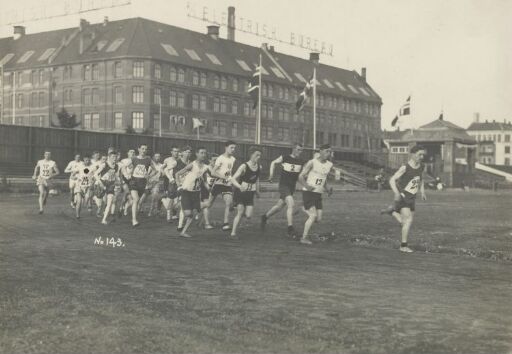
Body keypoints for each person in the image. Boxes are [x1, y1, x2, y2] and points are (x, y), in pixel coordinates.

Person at [383, 145, 427, 253]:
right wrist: (396, 192)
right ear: (412, 155)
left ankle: (392, 212)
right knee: (408, 220)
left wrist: (422, 191)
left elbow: (420, 179)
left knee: (405, 222)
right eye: (419, 154)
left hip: (412, 198)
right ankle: (403, 246)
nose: (421, 157)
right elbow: (392, 180)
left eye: (423, 155)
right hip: (402, 197)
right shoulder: (405, 168)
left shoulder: (422, 166)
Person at [261, 143, 304, 238]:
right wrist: (271, 175)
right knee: (291, 204)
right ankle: (290, 229)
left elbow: (301, 176)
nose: (299, 152)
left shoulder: (301, 162)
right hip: (283, 186)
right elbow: (273, 163)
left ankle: (265, 217)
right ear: (293, 149)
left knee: (279, 206)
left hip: (291, 187)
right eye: (298, 149)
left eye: (301, 150)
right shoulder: (285, 157)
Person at [298, 144, 334, 245]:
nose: (329, 153)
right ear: (320, 151)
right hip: (308, 192)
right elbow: (300, 177)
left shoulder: (329, 164)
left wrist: (327, 189)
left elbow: (324, 178)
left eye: (330, 152)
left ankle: (304, 208)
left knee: (318, 219)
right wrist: (307, 186)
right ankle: (303, 238)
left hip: (318, 193)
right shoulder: (312, 162)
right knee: (313, 215)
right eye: (327, 151)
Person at [121, 144, 160, 227]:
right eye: (142, 149)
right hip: (134, 181)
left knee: (137, 201)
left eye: (145, 149)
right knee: (136, 199)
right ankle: (134, 220)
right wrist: (126, 175)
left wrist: (149, 176)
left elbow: (155, 170)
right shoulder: (134, 158)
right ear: (139, 149)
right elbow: (123, 167)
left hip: (142, 182)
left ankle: (127, 206)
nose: (144, 150)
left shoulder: (148, 159)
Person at [174, 147, 209, 238]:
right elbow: (177, 174)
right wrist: (179, 185)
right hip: (186, 192)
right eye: (201, 152)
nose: (203, 155)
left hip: (196, 193)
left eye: (205, 153)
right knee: (188, 214)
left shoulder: (205, 167)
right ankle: (179, 204)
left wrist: (209, 187)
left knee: (195, 212)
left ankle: (183, 232)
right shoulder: (192, 165)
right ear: (197, 154)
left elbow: (204, 180)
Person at [230, 146, 262, 239]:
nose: (258, 157)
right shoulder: (244, 166)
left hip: (250, 193)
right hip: (241, 193)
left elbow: (257, 179)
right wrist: (240, 186)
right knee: (240, 212)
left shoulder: (259, 167)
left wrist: (257, 191)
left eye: (260, 155)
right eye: (257, 155)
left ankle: (236, 206)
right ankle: (233, 233)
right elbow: (232, 179)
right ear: (251, 155)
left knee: (248, 215)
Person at [206, 141, 237, 231]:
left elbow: (229, 172)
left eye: (234, 148)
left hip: (226, 185)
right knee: (208, 204)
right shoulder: (220, 158)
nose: (233, 150)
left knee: (229, 202)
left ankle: (225, 223)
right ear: (226, 147)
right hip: (218, 184)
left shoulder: (233, 159)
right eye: (231, 147)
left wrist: (230, 179)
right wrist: (223, 177)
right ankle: (201, 216)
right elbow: (213, 172)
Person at [95, 151, 121, 225]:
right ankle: (96, 202)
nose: (114, 159)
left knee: (109, 202)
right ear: (109, 157)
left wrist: (118, 182)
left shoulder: (117, 166)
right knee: (100, 203)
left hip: (110, 185)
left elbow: (115, 176)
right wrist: (101, 184)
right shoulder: (104, 165)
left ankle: (104, 219)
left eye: (115, 157)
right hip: (102, 184)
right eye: (113, 157)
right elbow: (95, 174)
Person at [32, 150, 60, 214]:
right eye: (46, 154)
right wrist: (34, 175)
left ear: (50, 155)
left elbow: (57, 172)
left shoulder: (53, 163)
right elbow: (36, 168)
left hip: (48, 179)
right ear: (44, 155)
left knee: (46, 193)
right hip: (41, 178)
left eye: (49, 154)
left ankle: (45, 198)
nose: (47, 155)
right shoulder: (40, 161)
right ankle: (41, 209)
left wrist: (51, 175)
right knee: (41, 193)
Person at [161, 146, 180, 222]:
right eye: (175, 151)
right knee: (171, 198)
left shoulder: (180, 160)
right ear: (171, 152)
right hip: (170, 181)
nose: (176, 153)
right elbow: (163, 168)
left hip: (179, 181)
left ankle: (174, 214)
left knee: (178, 199)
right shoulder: (167, 160)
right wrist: (167, 176)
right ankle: (169, 216)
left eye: (177, 151)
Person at [200, 153, 218, 229]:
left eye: (217, 160)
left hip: (213, 189)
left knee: (208, 205)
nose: (215, 162)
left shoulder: (218, 169)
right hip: (205, 188)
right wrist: (207, 186)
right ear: (209, 160)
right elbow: (201, 178)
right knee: (207, 205)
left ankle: (201, 222)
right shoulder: (206, 168)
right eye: (214, 160)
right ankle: (207, 224)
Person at [146, 153, 164, 217]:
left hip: (156, 183)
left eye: (159, 156)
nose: (157, 158)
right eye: (156, 156)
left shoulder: (161, 165)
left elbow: (163, 175)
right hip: (149, 183)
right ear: (153, 157)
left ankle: (152, 210)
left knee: (154, 196)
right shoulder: (150, 165)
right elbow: (147, 175)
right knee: (142, 197)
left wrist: (162, 174)